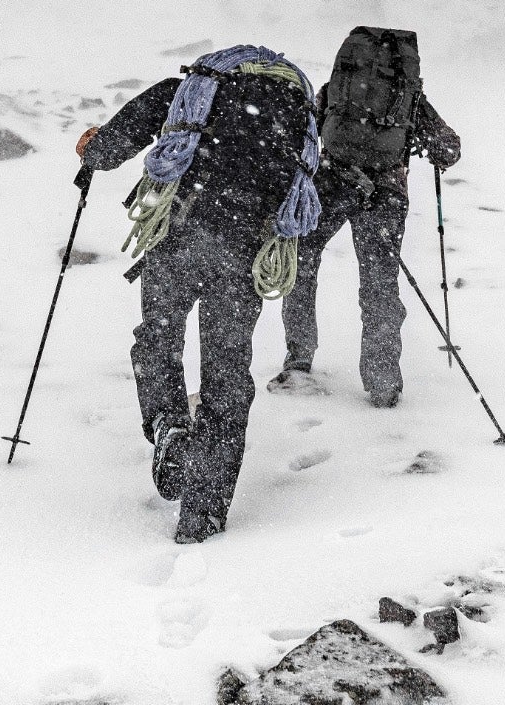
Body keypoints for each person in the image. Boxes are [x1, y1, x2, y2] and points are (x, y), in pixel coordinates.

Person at [74, 44, 320, 544]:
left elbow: (112, 145)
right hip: (246, 249)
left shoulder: (190, 93)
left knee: (158, 339)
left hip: (180, 232)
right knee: (227, 369)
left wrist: (91, 151)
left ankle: (169, 424)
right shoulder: (296, 116)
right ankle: (203, 510)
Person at [275, 27, 460, 408]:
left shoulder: (336, 89)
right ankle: (382, 384)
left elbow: (304, 128)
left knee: (301, 263)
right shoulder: (409, 97)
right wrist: (426, 142)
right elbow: (448, 148)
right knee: (379, 284)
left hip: (331, 181)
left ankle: (298, 358)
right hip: (386, 191)